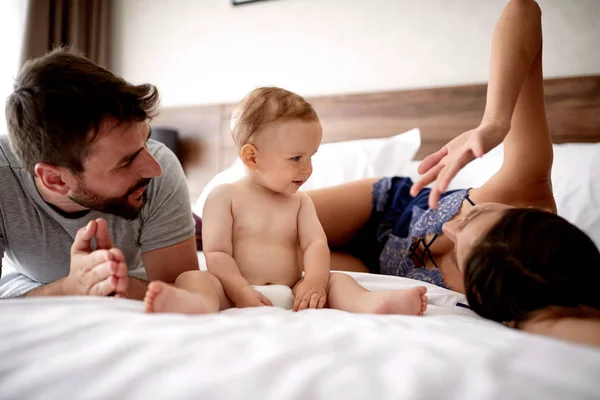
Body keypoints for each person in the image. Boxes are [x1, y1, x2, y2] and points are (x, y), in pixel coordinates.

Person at [305, 0, 600, 347]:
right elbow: (523, 10)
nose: (448, 226)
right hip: (381, 209)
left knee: (269, 261)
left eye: (460, 257)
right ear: (526, 212)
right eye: (474, 211)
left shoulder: (516, 301)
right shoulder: (526, 187)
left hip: (370, 270)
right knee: (259, 216)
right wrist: (495, 122)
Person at [144, 87, 428, 316]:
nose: (307, 169)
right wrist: (241, 290)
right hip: (234, 291)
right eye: (296, 158)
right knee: (195, 279)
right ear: (252, 157)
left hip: (293, 291)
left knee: (338, 280)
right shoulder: (223, 196)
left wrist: (314, 281)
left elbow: (315, 244)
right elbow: (217, 254)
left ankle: (373, 305)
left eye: (311, 157)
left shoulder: (300, 202)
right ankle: (195, 304)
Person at [0, 47, 199, 299]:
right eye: (126, 162)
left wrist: (115, 282)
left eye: (146, 140)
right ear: (56, 179)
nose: (154, 168)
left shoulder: (162, 169)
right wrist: (68, 288)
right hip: (26, 284)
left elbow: (181, 292)